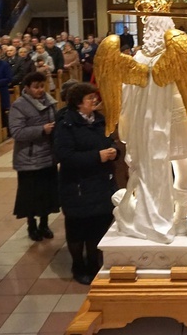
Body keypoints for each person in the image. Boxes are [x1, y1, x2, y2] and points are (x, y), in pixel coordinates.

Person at [96, 0, 187, 243]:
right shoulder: (182, 52)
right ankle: (180, 220)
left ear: (146, 26)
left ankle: (153, 215)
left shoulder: (137, 58)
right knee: (182, 168)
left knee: (149, 168)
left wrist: (128, 128)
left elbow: (127, 97)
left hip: (148, 124)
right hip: (176, 118)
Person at [54, 82, 119, 284]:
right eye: (90, 98)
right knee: (78, 229)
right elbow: (64, 156)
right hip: (77, 186)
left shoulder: (99, 121)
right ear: (78, 103)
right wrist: (97, 156)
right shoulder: (66, 124)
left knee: (97, 226)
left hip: (100, 183)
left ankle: (93, 263)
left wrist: (114, 152)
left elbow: (110, 142)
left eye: (94, 97)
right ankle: (78, 266)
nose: (95, 101)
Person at [9, 72, 60, 242]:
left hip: (48, 155)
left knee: (47, 193)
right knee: (30, 195)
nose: (39, 90)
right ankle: (31, 225)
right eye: (36, 87)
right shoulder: (19, 106)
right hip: (29, 157)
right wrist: (41, 130)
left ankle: (44, 224)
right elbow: (16, 132)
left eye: (41, 86)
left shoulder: (50, 102)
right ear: (27, 88)